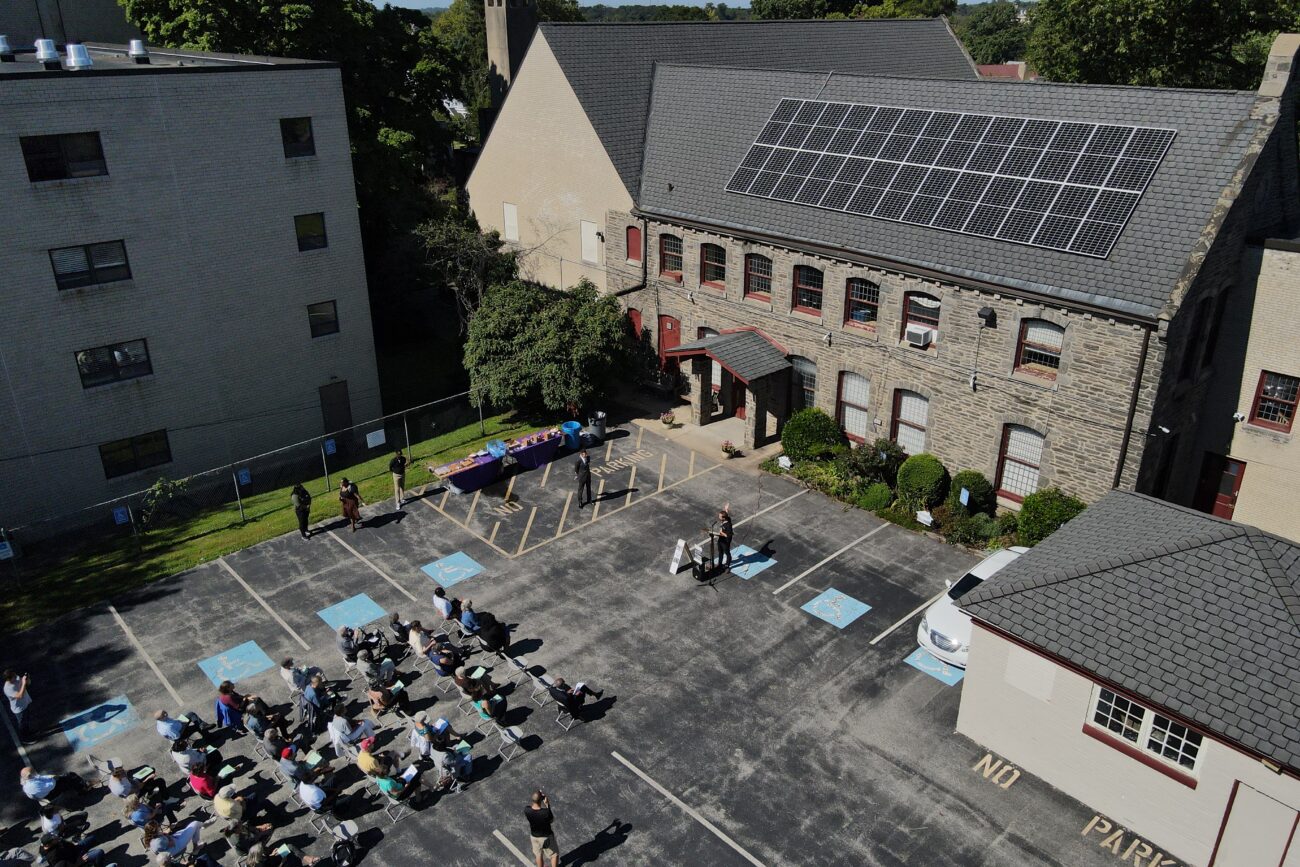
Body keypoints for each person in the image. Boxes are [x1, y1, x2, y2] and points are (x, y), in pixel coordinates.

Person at [524, 790, 559, 867]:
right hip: (545, 838)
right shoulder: (545, 812)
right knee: (554, 855)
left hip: (534, 837)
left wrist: (538, 795)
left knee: (538, 854)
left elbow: (533, 806)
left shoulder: (527, 810)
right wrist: (547, 804)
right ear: (541, 800)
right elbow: (551, 820)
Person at [19, 767, 90, 802]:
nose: (35, 772)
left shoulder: (27, 780)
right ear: (30, 776)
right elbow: (51, 786)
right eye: (34, 772)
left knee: (65, 776)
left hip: (45, 790)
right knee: (70, 778)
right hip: (50, 793)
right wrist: (54, 778)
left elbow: (40, 777)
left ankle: (80, 786)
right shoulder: (34, 786)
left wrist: (53, 777)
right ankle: (82, 790)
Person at [4, 670, 33, 743]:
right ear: (9, 679)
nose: (16, 676)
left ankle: (29, 733)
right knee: (22, 724)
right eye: (14, 676)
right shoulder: (8, 688)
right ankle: (25, 739)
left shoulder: (16, 678)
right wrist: (23, 683)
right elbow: (20, 695)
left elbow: (28, 683)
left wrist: (27, 679)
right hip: (19, 709)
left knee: (27, 721)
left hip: (26, 703)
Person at [716, 507, 733, 572]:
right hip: (721, 540)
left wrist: (721, 532)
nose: (719, 517)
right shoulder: (726, 518)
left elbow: (728, 535)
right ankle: (719, 564)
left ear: (723, 518)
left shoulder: (728, 525)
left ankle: (727, 565)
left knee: (727, 553)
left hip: (725, 542)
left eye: (720, 516)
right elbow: (726, 514)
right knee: (720, 552)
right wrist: (726, 509)